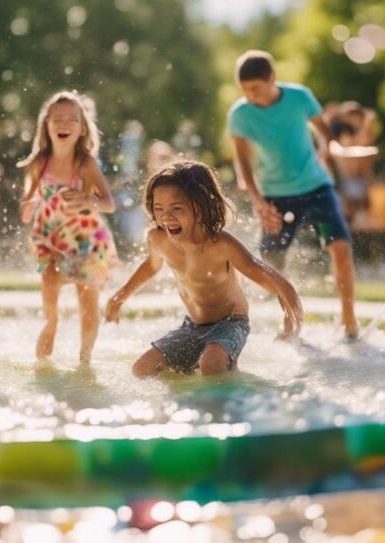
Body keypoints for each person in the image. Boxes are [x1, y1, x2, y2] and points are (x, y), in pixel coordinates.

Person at [104, 161, 303, 376]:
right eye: (158, 208)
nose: (165, 216)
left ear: (200, 207)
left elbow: (268, 277)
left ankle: (224, 395)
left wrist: (290, 318)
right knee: (142, 369)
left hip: (230, 323)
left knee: (210, 365)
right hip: (191, 326)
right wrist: (119, 298)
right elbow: (151, 266)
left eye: (177, 208)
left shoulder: (220, 244)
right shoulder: (158, 238)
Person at [227, 50, 358, 338]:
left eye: (256, 88)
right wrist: (258, 201)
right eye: (245, 90)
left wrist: (326, 149)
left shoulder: (300, 97)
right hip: (274, 194)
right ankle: (290, 320)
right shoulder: (240, 115)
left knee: (340, 248)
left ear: (271, 78)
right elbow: (243, 163)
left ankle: (349, 321)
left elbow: (324, 132)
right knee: (271, 259)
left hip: (316, 186)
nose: (250, 95)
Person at [19, 91, 118, 364]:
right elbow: (29, 198)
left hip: (86, 238)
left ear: (83, 127)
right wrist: (28, 206)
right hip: (50, 236)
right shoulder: (38, 163)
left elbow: (109, 203)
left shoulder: (85, 164)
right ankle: (51, 323)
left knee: (87, 302)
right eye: (57, 119)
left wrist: (89, 200)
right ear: (46, 124)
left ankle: (84, 360)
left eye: (72, 119)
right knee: (50, 278)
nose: (64, 124)